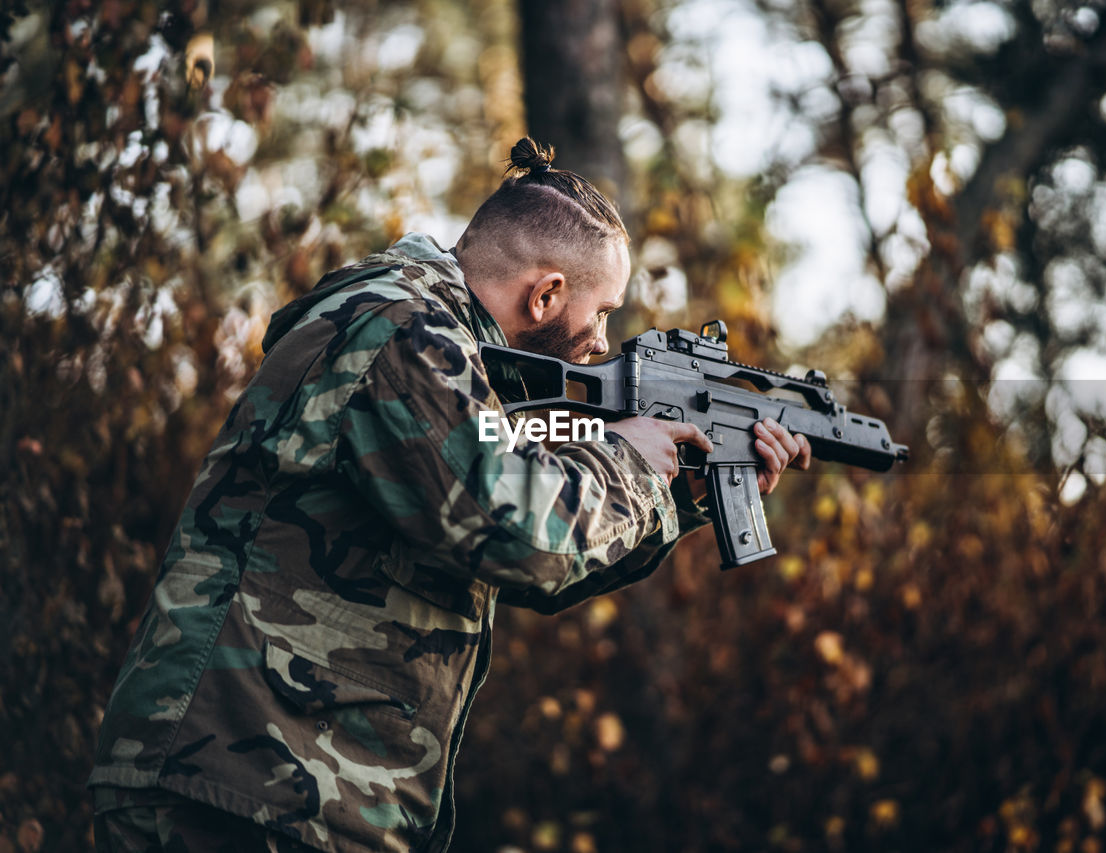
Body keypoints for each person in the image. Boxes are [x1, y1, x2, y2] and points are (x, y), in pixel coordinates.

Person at [88, 137, 810, 852]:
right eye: (603, 310)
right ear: (547, 292)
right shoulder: (402, 327)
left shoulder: (437, 345)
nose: (602, 340)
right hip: (238, 786)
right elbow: (518, 532)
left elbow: (521, 564)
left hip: (281, 787)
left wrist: (680, 490)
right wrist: (629, 461)